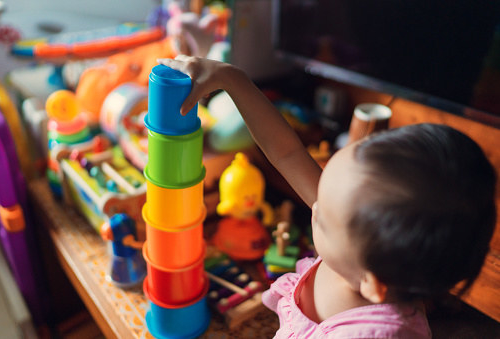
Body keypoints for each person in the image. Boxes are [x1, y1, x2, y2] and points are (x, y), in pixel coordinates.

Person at [157, 56, 497, 338]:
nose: (314, 207)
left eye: (322, 217)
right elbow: (288, 153)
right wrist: (233, 80)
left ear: (372, 284)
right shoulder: (358, 240)